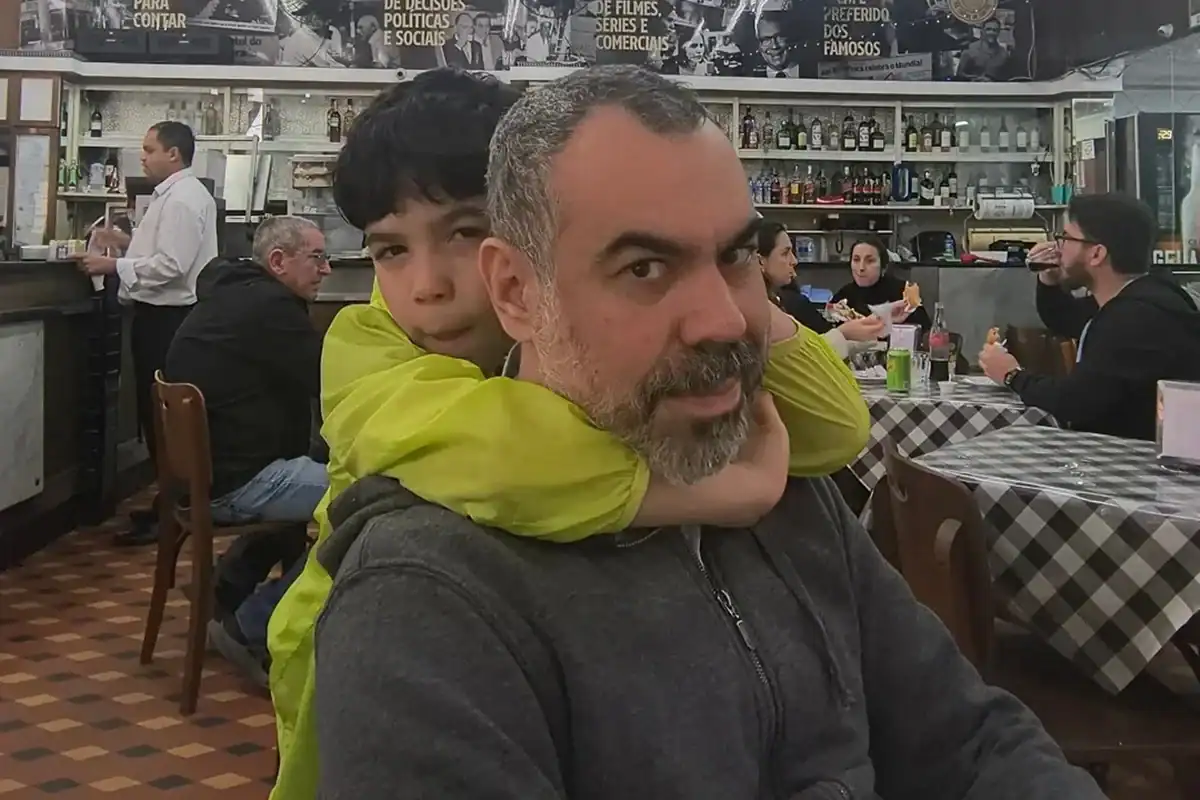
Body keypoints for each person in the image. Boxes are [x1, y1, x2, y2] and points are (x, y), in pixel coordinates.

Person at [312, 65, 1102, 799]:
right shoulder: (427, 600)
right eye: (644, 268)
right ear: (515, 289)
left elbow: (972, 742)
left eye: (735, 257)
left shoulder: (785, 490)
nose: (723, 320)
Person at [267, 68, 870, 799]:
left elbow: (835, 429)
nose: (425, 285)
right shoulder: (368, 342)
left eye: (464, 231)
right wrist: (713, 493)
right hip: (341, 679)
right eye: (391, 249)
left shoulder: (592, 341)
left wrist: (725, 284)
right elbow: (496, 454)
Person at [164, 215, 331, 683]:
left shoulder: (233, 291)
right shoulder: (270, 308)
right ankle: (254, 625)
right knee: (366, 502)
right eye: (317, 258)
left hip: (206, 476)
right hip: (238, 481)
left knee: (310, 467)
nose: (327, 269)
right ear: (278, 261)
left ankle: (224, 590)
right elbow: (332, 382)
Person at [72, 121, 218, 547]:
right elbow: (163, 252)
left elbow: (171, 266)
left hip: (169, 320)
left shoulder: (183, 199)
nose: (143, 156)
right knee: (157, 419)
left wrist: (112, 265)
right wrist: (125, 241)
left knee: (165, 422)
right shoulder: (173, 195)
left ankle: (173, 513)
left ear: (174, 153)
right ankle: (167, 504)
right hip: (162, 317)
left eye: (149, 149)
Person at [979, 193, 1200, 441]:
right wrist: (1050, 280)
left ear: (1096, 254)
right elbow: (1067, 319)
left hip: (1137, 459)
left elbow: (1076, 402)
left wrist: (1012, 375)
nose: (1057, 249)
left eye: (1065, 238)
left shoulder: (1135, 317)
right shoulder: (1139, 297)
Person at [756, 219, 884, 358]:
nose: (794, 261)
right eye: (785, 253)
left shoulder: (778, 300)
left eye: (870, 260)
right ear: (760, 261)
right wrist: (843, 333)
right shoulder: (767, 309)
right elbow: (798, 356)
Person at [831, 236, 932, 330]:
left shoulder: (903, 292)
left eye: (870, 261)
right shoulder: (844, 295)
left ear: (883, 267)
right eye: (856, 260)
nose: (861, 268)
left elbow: (927, 333)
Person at [956, 17, 1010, 82]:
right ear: (982, 31)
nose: (991, 33)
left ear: (998, 32)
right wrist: (976, 78)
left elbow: (1006, 78)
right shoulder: (970, 50)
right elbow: (959, 75)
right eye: (988, 29)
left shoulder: (1003, 54)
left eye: (995, 30)